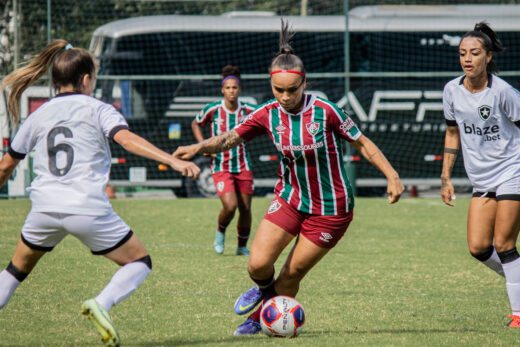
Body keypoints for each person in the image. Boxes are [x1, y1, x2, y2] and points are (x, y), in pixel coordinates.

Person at [174, 20, 404, 335]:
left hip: (330, 209)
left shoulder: (326, 111)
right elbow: (228, 138)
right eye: (278, 89)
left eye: (291, 90)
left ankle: (258, 320)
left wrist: (392, 176)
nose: (284, 96)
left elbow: (362, 143)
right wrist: (198, 146)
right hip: (291, 199)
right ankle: (265, 292)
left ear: (304, 82)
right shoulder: (266, 113)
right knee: (256, 264)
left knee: (291, 274)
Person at [0, 39, 200, 346]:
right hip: (86, 208)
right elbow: (128, 140)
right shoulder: (99, 109)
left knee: (14, 271)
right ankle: (102, 303)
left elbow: (5, 167)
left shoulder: (37, 115)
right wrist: (171, 160)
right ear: (85, 80)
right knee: (139, 262)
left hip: (43, 209)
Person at [441, 22, 520, 328]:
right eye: (463, 54)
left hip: (513, 171)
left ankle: (518, 315)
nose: (467, 59)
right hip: (481, 180)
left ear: (488, 56)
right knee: (478, 247)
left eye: (474, 53)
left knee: (504, 244)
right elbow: (451, 133)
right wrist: (446, 177)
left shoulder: (503, 92)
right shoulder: (451, 90)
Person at [192, 65, 256, 256]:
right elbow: (195, 123)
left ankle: (241, 246)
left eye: (234, 88)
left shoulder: (248, 110)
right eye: (227, 88)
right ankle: (220, 233)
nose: (231, 91)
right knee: (230, 206)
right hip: (221, 166)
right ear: (222, 90)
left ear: (240, 90)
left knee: (245, 208)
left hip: (243, 165)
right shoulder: (213, 109)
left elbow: (267, 118)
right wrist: (203, 145)